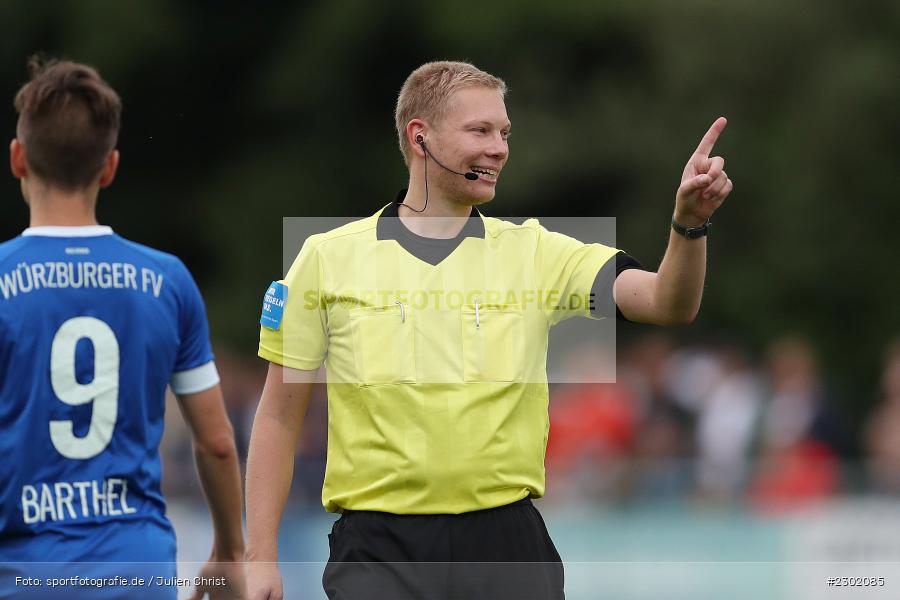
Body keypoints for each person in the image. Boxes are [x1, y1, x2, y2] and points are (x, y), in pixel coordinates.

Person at [246, 60, 732, 599]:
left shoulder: (536, 250)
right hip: (378, 548)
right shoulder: (325, 258)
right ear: (420, 137)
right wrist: (259, 555)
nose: (499, 148)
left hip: (508, 544)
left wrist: (689, 224)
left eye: (504, 133)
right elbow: (276, 419)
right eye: (480, 131)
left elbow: (667, 303)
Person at [0, 58, 246, 600]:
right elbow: (218, 444)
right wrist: (231, 551)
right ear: (109, 167)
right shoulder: (166, 281)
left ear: (18, 159)